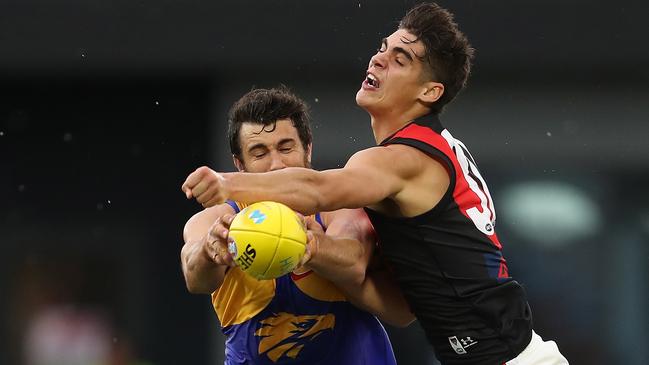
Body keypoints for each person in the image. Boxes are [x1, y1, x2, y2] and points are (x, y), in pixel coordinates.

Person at [182, 3, 569, 365]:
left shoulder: (398, 160)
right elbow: (401, 309)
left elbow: (318, 191)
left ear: (429, 91)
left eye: (400, 59)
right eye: (384, 49)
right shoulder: (421, 150)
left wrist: (226, 183)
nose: (379, 59)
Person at [180, 87, 412, 365]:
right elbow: (195, 277)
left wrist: (312, 247)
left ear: (308, 149)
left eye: (286, 147)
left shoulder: (338, 208)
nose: (277, 165)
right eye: (259, 152)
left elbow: (354, 261)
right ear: (239, 165)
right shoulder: (216, 220)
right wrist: (208, 251)